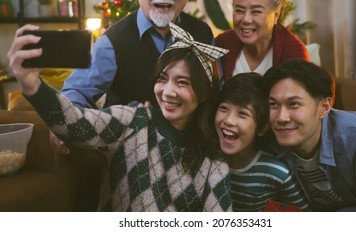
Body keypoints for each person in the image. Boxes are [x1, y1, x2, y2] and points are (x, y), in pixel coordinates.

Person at [7, 23, 232, 212]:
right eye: (163, 78)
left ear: (203, 93)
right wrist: (30, 83)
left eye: (182, 82)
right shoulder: (133, 120)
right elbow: (74, 123)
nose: (168, 91)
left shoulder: (213, 159)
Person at [50, 0, 215, 154]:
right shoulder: (113, 41)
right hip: (132, 156)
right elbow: (76, 92)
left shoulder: (203, 33)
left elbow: (212, 91)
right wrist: (63, 123)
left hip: (191, 150)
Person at [262, 59, 356, 212]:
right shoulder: (268, 140)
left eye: (294, 104)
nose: (281, 117)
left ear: (324, 107)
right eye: (273, 104)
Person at [214, 72, 310, 212]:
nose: (228, 120)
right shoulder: (207, 161)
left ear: (262, 128)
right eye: (223, 108)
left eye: (242, 113)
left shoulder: (277, 173)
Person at [215, 0, 310, 82]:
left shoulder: (294, 52)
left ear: (276, 15)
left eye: (256, 11)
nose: (246, 19)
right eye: (239, 10)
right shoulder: (222, 44)